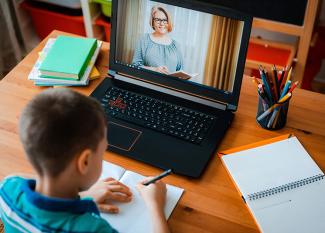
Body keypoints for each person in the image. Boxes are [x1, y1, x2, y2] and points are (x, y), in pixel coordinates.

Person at [0, 88, 170, 233]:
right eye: (103, 151)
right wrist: (155, 205)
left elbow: (22, 177)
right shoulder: (93, 229)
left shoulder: (7, 188)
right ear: (85, 162)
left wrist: (82, 196)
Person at [132, 6, 184, 74]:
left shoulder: (177, 45)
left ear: (169, 22)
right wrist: (154, 69)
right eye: (158, 20)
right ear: (152, 22)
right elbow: (135, 66)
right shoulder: (144, 39)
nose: (162, 23)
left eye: (165, 20)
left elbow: (180, 71)